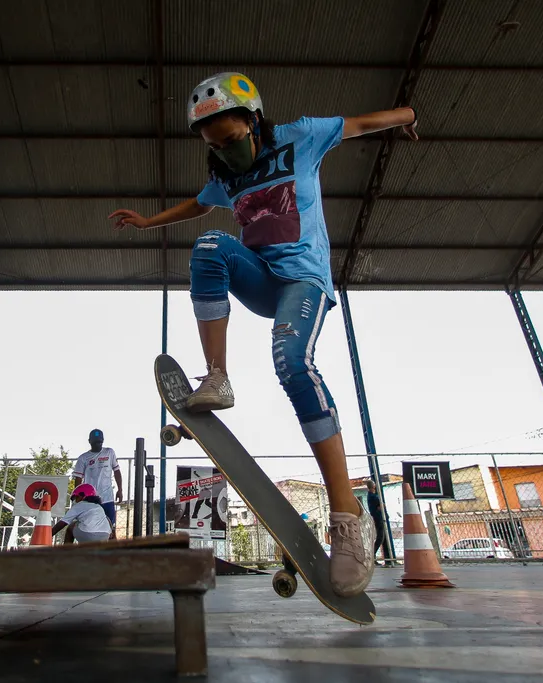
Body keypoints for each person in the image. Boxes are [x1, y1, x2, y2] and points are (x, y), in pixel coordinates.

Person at [108, 73, 418, 596]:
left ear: (253, 121)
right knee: (209, 245)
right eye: (214, 147)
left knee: (292, 364)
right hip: (262, 280)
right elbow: (198, 206)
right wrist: (146, 223)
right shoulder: (225, 176)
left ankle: (347, 520)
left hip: (304, 283)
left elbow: (363, 123)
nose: (226, 154)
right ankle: (218, 377)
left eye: (230, 141)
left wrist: (407, 117)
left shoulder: (302, 136)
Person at [72, 429, 122, 538]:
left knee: (110, 529)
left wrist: (120, 490)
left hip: (107, 498)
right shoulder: (83, 458)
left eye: (99, 442)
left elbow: (117, 471)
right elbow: (78, 479)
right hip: (90, 500)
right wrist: (78, 497)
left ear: (103, 441)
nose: (98, 444)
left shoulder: (109, 452)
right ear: (89, 441)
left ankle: (113, 553)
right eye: (95, 442)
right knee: (88, 527)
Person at [366, 481, 386, 565]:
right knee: (380, 537)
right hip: (378, 518)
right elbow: (379, 506)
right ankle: (372, 556)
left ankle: (372, 556)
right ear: (373, 486)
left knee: (381, 537)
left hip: (378, 517)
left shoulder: (371, 496)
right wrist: (381, 506)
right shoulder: (372, 496)